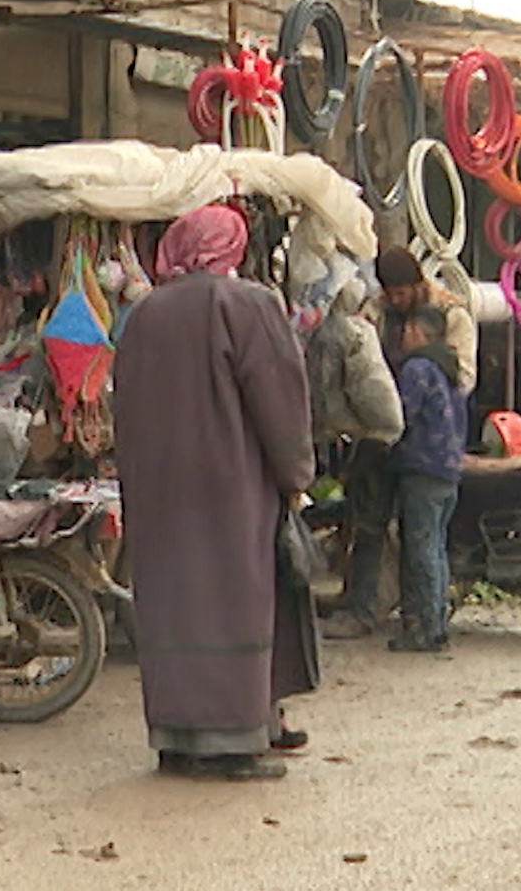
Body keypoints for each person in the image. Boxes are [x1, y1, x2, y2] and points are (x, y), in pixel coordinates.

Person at [113, 204, 316, 781]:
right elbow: (279, 397)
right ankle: (233, 741)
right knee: (235, 606)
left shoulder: (144, 314)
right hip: (232, 493)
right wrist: (296, 473)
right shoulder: (247, 305)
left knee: (173, 608)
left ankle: (176, 739)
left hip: (157, 496)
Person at [307, 279, 407, 641]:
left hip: (373, 443)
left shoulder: (342, 335)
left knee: (368, 529)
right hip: (374, 440)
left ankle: (360, 612)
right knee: (361, 526)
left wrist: (325, 428)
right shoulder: (356, 332)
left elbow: (336, 394)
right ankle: (353, 600)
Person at [389, 306, 470, 652]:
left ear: (419, 332)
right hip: (449, 470)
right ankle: (435, 624)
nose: (403, 335)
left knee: (421, 550)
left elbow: (400, 416)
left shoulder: (418, 368)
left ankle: (425, 630)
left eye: (408, 329)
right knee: (436, 548)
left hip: (422, 468)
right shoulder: (450, 369)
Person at [363, 245, 479, 395]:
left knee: (417, 369)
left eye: (401, 294)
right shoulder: (377, 309)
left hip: (441, 398)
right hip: (390, 393)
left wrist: (427, 354)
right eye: (389, 294)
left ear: (417, 286)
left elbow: (465, 379)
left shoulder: (452, 313)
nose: (395, 300)